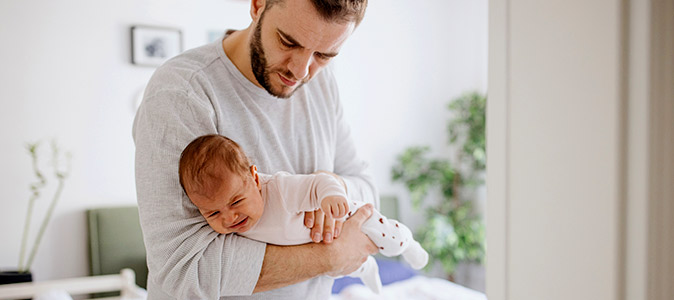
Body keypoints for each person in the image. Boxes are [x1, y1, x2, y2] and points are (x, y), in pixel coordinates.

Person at [132, 0, 380, 298]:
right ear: (257, 5)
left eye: (323, 55)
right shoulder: (182, 93)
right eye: (288, 42)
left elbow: (366, 190)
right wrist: (331, 256)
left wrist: (330, 189)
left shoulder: (322, 83)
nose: (300, 71)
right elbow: (181, 269)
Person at [178, 134, 429, 294]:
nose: (229, 217)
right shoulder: (233, 224)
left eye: (236, 201)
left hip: (346, 217)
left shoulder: (279, 190)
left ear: (255, 178)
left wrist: (332, 196)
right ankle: (368, 271)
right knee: (345, 268)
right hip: (322, 244)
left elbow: (317, 182)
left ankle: (410, 244)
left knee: (390, 238)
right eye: (213, 213)